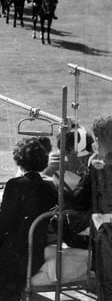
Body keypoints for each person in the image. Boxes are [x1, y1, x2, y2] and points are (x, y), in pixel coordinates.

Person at [0, 138, 57, 301]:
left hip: (12, 255)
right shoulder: (49, 187)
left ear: (19, 161)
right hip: (34, 254)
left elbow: (3, 223)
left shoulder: (15, 185)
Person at [68, 115, 112, 300]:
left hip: (107, 238)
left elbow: (77, 199)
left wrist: (89, 169)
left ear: (100, 141)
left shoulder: (99, 169)